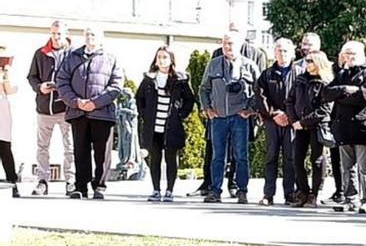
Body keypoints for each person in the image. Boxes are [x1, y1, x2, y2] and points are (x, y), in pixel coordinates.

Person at [55, 28, 123, 200]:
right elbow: (61, 81)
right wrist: (76, 102)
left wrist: (95, 103)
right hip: (78, 113)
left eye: (94, 35)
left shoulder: (111, 59)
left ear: (101, 38)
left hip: (102, 113)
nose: (90, 37)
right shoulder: (72, 57)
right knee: (80, 151)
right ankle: (80, 187)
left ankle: (100, 186)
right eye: (87, 35)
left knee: (102, 153)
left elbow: (116, 86)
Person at [200, 30, 258, 204]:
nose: (227, 47)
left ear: (240, 45)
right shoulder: (213, 64)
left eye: (231, 43)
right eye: (225, 43)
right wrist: (208, 109)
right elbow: (204, 88)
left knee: (241, 155)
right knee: (218, 156)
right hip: (218, 117)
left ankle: (242, 190)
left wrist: (250, 109)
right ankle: (215, 190)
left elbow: (259, 91)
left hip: (239, 117)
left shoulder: (250, 66)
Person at [326, 41, 366, 214]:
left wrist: (341, 95)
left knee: (364, 168)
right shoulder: (342, 74)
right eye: (345, 54)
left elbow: (365, 97)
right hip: (343, 127)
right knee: (347, 167)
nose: (348, 58)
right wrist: (346, 89)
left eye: (352, 54)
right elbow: (327, 93)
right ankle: (351, 198)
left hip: (362, 127)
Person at [135, 46, 195, 202]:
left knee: (170, 159)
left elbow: (189, 99)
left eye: (165, 57)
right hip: (153, 128)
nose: (161, 60)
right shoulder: (149, 79)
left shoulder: (180, 80)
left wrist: (181, 113)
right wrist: (144, 115)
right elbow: (139, 98)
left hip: (171, 127)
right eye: (159, 57)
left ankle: (169, 190)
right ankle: (155, 190)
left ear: (171, 60)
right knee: (154, 158)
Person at [26, 20, 74, 196]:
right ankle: (42, 181)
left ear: (66, 33)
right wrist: (40, 87)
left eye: (59, 33)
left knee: (69, 147)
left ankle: (70, 181)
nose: (56, 37)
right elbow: (32, 77)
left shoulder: (73, 54)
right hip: (44, 108)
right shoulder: (40, 53)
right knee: (42, 147)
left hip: (66, 108)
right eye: (53, 33)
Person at [287, 51, 334, 208]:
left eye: (310, 61)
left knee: (317, 160)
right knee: (297, 157)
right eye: (306, 61)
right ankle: (303, 191)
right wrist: (294, 120)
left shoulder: (325, 82)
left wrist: (304, 122)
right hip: (299, 125)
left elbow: (325, 109)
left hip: (317, 126)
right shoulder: (300, 80)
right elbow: (290, 100)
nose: (307, 64)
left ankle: (314, 193)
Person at [255, 38, 297, 206]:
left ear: (292, 53)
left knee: (290, 158)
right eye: (279, 50)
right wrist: (274, 113)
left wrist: (290, 115)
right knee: (271, 158)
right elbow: (260, 96)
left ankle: (290, 194)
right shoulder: (266, 74)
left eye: (286, 50)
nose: (282, 53)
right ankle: (268, 194)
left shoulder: (299, 73)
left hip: (292, 122)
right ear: (274, 53)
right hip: (272, 121)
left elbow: (301, 98)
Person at [0, 49, 18, 197]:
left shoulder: (5, 71)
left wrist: (6, 74)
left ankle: (12, 181)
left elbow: (11, 90)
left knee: (4, 146)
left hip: (2, 110)